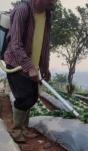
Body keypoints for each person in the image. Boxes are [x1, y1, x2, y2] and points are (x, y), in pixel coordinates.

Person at [4, 0, 56, 143]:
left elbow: (45, 42)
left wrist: (44, 66)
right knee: (24, 97)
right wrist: (29, 67)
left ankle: (24, 129)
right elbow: (15, 43)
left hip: (32, 65)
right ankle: (16, 130)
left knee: (33, 96)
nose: (54, 2)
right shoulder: (22, 10)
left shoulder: (47, 13)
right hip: (16, 63)